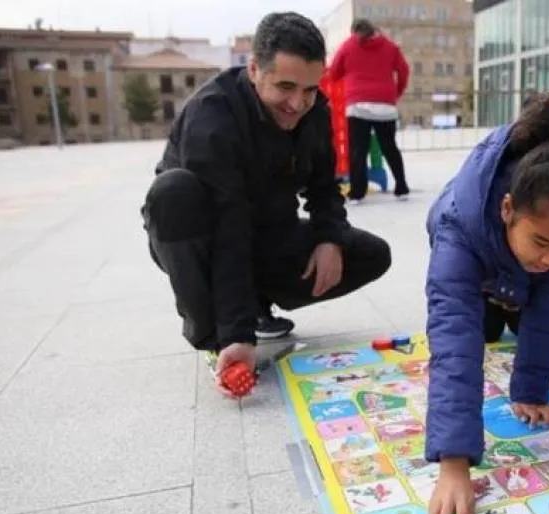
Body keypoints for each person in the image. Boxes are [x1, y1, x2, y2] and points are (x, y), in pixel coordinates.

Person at [140, 12, 392, 396]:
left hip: (270, 232)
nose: (298, 103)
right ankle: (213, 332)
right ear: (254, 69)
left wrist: (330, 239)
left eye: (309, 89)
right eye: (285, 87)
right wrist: (235, 336)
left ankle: (257, 303)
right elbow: (228, 228)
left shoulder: (314, 110)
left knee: (371, 253)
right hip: (204, 237)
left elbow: (325, 188)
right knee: (172, 193)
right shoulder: (212, 116)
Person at [422, 94, 549, 514]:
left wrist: (532, 391)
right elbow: (454, 340)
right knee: (479, 331)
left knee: (536, 317)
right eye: (543, 242)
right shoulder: (456, 228)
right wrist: (454, 462)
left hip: (517, 275)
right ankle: (499, 298)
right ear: (507, 209)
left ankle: (512, 293)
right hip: (480, 266)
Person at [327, 18, 411, 203]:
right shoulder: (390, 47)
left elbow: (334, 72)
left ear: (354, 31)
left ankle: (357, 193)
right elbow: (404, 71)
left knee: (358, 150)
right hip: (385, 105)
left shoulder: (348, 46)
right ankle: (401, 187)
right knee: (390, 147)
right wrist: (396, 92)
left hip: (358, 106)